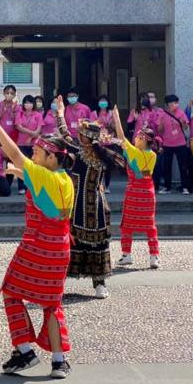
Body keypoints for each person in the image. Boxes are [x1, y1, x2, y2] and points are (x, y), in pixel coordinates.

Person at [0, 100, 75, 380]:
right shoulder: (64, 178)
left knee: (11, 292)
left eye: (37, 152)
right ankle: (59, 362)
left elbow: (13, 152)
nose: (32, 154)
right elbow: (43, 186)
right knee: (52, 303)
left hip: (36, 245)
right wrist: (19, 173)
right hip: (60, 247)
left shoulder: (41, 174)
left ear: (51, 157)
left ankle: (24, 350)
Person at [56, 96, 124, 299]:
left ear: (85, 137)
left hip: (85, 205)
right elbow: (65, 135)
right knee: (86, 242)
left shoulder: (86, 153)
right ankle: (94, 284)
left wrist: (60, 113)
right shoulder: (95, 153)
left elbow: (64, 134)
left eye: (81, 134)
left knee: (86, 242)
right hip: (88, 204)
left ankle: (90, 283)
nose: (78, 136)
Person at [111, 105, 161, 269]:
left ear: (144, 140)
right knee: (150, 225)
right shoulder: (152, 155)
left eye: (139, 137)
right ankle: (154, 257)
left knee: (127, 225)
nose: (136, 139)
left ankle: (127, 255)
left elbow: (120, 136)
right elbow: (146, 173)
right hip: (148, 191)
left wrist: (117, 118)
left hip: (134, 191)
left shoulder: (134, 152)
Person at [156, 94, 190, 195]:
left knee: (183, 166)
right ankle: (167, 187)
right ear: (167, 104)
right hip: (167, 144)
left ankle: (185, 187)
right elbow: (160, 131)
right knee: (167, 167)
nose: (175, 105)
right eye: (173, 103)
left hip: (180, 143)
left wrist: (183, 122)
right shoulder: (162, 114)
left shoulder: (181, 113)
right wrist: (161, 123)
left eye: (176, 102)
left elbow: (186, 127)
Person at [14, 95, 44, 194]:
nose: (28, 105)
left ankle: (32, 186)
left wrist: (32, 136)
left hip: (34, 143)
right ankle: (21, 187)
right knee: (21, 165)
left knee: (34, 165)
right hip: (21, 142)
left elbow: (39, 128)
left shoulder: (38, 114)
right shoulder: (20, 113)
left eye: (30, 102)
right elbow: (19, 127)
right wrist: (32, 133)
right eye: (26, 102)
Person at [95, 96, 115, 193]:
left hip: (109, 141)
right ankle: (98, 184)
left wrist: (111, 122)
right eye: (101, 101)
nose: (103, 103)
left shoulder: (111, 113)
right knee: (98, 164)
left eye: (104, 101)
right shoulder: (94, 113)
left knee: (108, 165)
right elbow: (91, 126)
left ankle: (107, 186)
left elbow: (115, 126)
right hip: (98, 142)